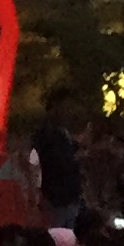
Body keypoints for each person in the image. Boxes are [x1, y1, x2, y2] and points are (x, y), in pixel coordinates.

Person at [29, 89, 86, 228]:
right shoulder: (45, 135)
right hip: (55, 198)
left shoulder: (62, 133)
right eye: (65, 107)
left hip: (67, 197)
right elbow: (47, 164)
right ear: (54, 107)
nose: (68, 112)